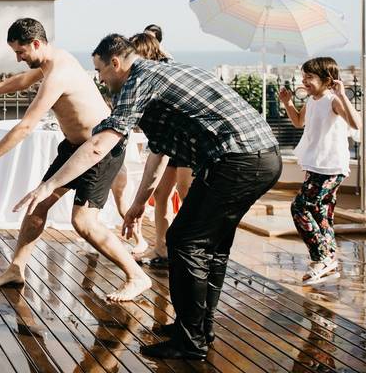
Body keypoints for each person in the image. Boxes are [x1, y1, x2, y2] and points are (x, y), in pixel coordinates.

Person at [16, 34, 279, 360]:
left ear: (116, 62)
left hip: (237, 159)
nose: (99, 79)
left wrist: (48, 184)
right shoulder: (161, 75)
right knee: (211, 245)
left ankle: (191, 341)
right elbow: (158, 152)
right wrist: (139, 203)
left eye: (99, 70)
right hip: (258, 157)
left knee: (185, 241)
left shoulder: (137, 82)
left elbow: (101, 144)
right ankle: (196, 327)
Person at [0, 18, 151, 302]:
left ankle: (137, 276)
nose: (18, 58)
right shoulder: (52, 61)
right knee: (37, 205)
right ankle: (16, 269)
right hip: (74, 147)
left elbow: (25, 127)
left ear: (36, 44)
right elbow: (22, 80)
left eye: (21, 52)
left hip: (100, 150)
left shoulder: (58, 73)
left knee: (84, 222)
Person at [279, 57, 359, 285]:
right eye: (303, 76)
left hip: (331, 166)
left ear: (327, 80)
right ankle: (330, 260)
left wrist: (343, 95)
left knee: (300, 207)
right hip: (315, 164)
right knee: (321, 214)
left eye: (309, 77)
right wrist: (287, 103)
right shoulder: (313, 100)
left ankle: (321, 257)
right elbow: (297, 122)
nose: (304, 81)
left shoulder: (333, 100)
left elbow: (356, 124)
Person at [128, 31, 192, 268]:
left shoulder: (166, 71)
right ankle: (162, 249)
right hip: (169, 142)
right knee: (161, 195)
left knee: (186, 194)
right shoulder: (145, 77)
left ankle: (186, 249)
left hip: (186, 142)